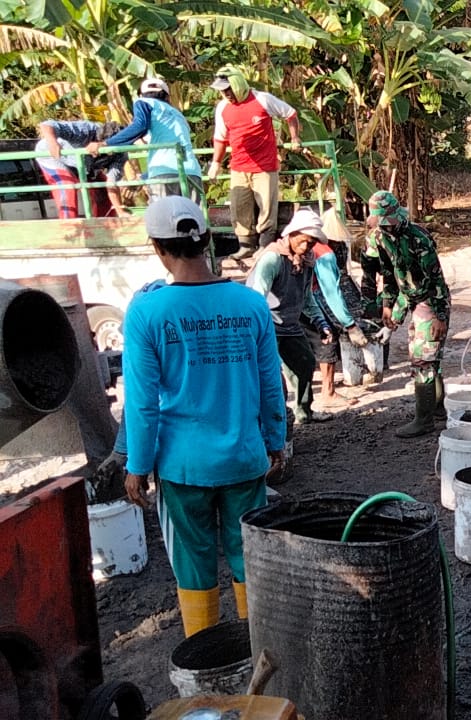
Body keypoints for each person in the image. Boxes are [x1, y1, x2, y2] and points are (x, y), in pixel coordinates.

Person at [120, 196, 287, 637]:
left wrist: (137, 466)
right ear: (208, 241)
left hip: (183, 467)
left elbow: (140, 402)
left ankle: (206, 661)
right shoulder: (249, 304)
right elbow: (272, 385)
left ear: (157, 247)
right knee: (249, 556)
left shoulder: (147, 312)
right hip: (244, 458)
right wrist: (276, 440)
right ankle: (260, 656)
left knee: (193, 567)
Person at [364, 190, 452, 438]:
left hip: (429, 300)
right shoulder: (381, 238)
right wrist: (388, 305)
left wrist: (439, 316)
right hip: (408, 296)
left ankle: (424, 420)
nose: (389, 226)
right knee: (428, 356)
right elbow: (389, 273)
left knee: (424, 358)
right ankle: (436, 410)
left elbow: (436, 281)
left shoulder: (418, 238)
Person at [246, 210, 334, 426]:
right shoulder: (272, 258)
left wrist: (320, 322)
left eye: (311, 244)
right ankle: (275, 421)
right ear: (292, 234)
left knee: (305, 362)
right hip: (267, 324)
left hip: (290, 322)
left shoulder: (307, 261)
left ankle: (304, 412)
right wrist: (260, 331)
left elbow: (307, 297)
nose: (306, 247)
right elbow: (258, 297)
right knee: (272, 377)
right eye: (303, 241)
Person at [207, 65, 302, 259]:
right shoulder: (223, 108)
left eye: (228, 90)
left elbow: (290, 114)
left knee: (267, 205)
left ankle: (265, 245)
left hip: (264, 165)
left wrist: (294, 138)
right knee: (239, 205)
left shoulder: (262, 99)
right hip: (238, 166)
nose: (227, 95)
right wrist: (216, 163)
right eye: (223, 92)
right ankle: (246, 244)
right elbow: (220, 137)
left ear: (238, 85)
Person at [285, 208, 370, 409]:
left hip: (293, 303)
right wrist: (349, 324)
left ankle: (302, 395)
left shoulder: (293, 248)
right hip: (309, 301)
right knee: (327, 343)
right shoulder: (325, 254)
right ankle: (328, 391)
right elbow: (332, 292)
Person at [89, 77, 204, 202]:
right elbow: (171, 157)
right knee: (193, 219)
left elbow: (140, 126)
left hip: (164, 175)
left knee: (164, 219)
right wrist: (142, 179)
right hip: (192, 173)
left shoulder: (144, 102)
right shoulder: (178, 115)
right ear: (167, 98)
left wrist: (105, 144)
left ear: (141, 95)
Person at [34, 119, 127, 218]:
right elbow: (47, 124)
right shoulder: (85, 130)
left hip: (85, 166)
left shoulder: (120, 154)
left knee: (102, 189)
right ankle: (69, 225)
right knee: (68, 185)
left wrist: (120, 211)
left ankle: (104, 226)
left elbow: (111, 184)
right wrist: (52, 142)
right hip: (54, 157)